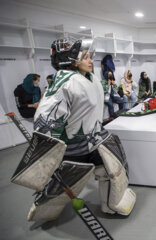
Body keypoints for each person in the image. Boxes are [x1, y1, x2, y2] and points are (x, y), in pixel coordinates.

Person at [25, 38, 135, 222]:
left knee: (110, 172)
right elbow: (46, 118)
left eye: (89, 56)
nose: (91, 60)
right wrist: (48, 153)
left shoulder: (90, 78)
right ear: (69, 60)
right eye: (84, 57)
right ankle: (45, 207)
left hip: (95, 140)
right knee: (64, 185)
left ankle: (111, 205)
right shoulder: (64, 83)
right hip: (73, 148)